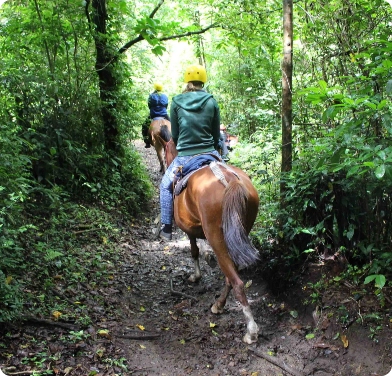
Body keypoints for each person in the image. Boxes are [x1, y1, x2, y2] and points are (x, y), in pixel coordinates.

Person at [158, 64, 221, 241]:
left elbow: (175, 135)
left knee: (165, 185)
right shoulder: (211, 100)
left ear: (187, 81)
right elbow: (216, 135)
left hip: (185, 157)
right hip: (210, 153)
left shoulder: (177, 101)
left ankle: (167, 227)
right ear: (203, 81)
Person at [143, 83, 170, 148]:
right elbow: (166, 105)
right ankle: (177, 140)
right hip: (164, 114)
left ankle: (147, 142)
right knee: (174, 125)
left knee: (144, 126)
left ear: (155, 88)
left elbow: (149, 106)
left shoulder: (151, 96)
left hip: (153, 115)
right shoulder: (164, 96)